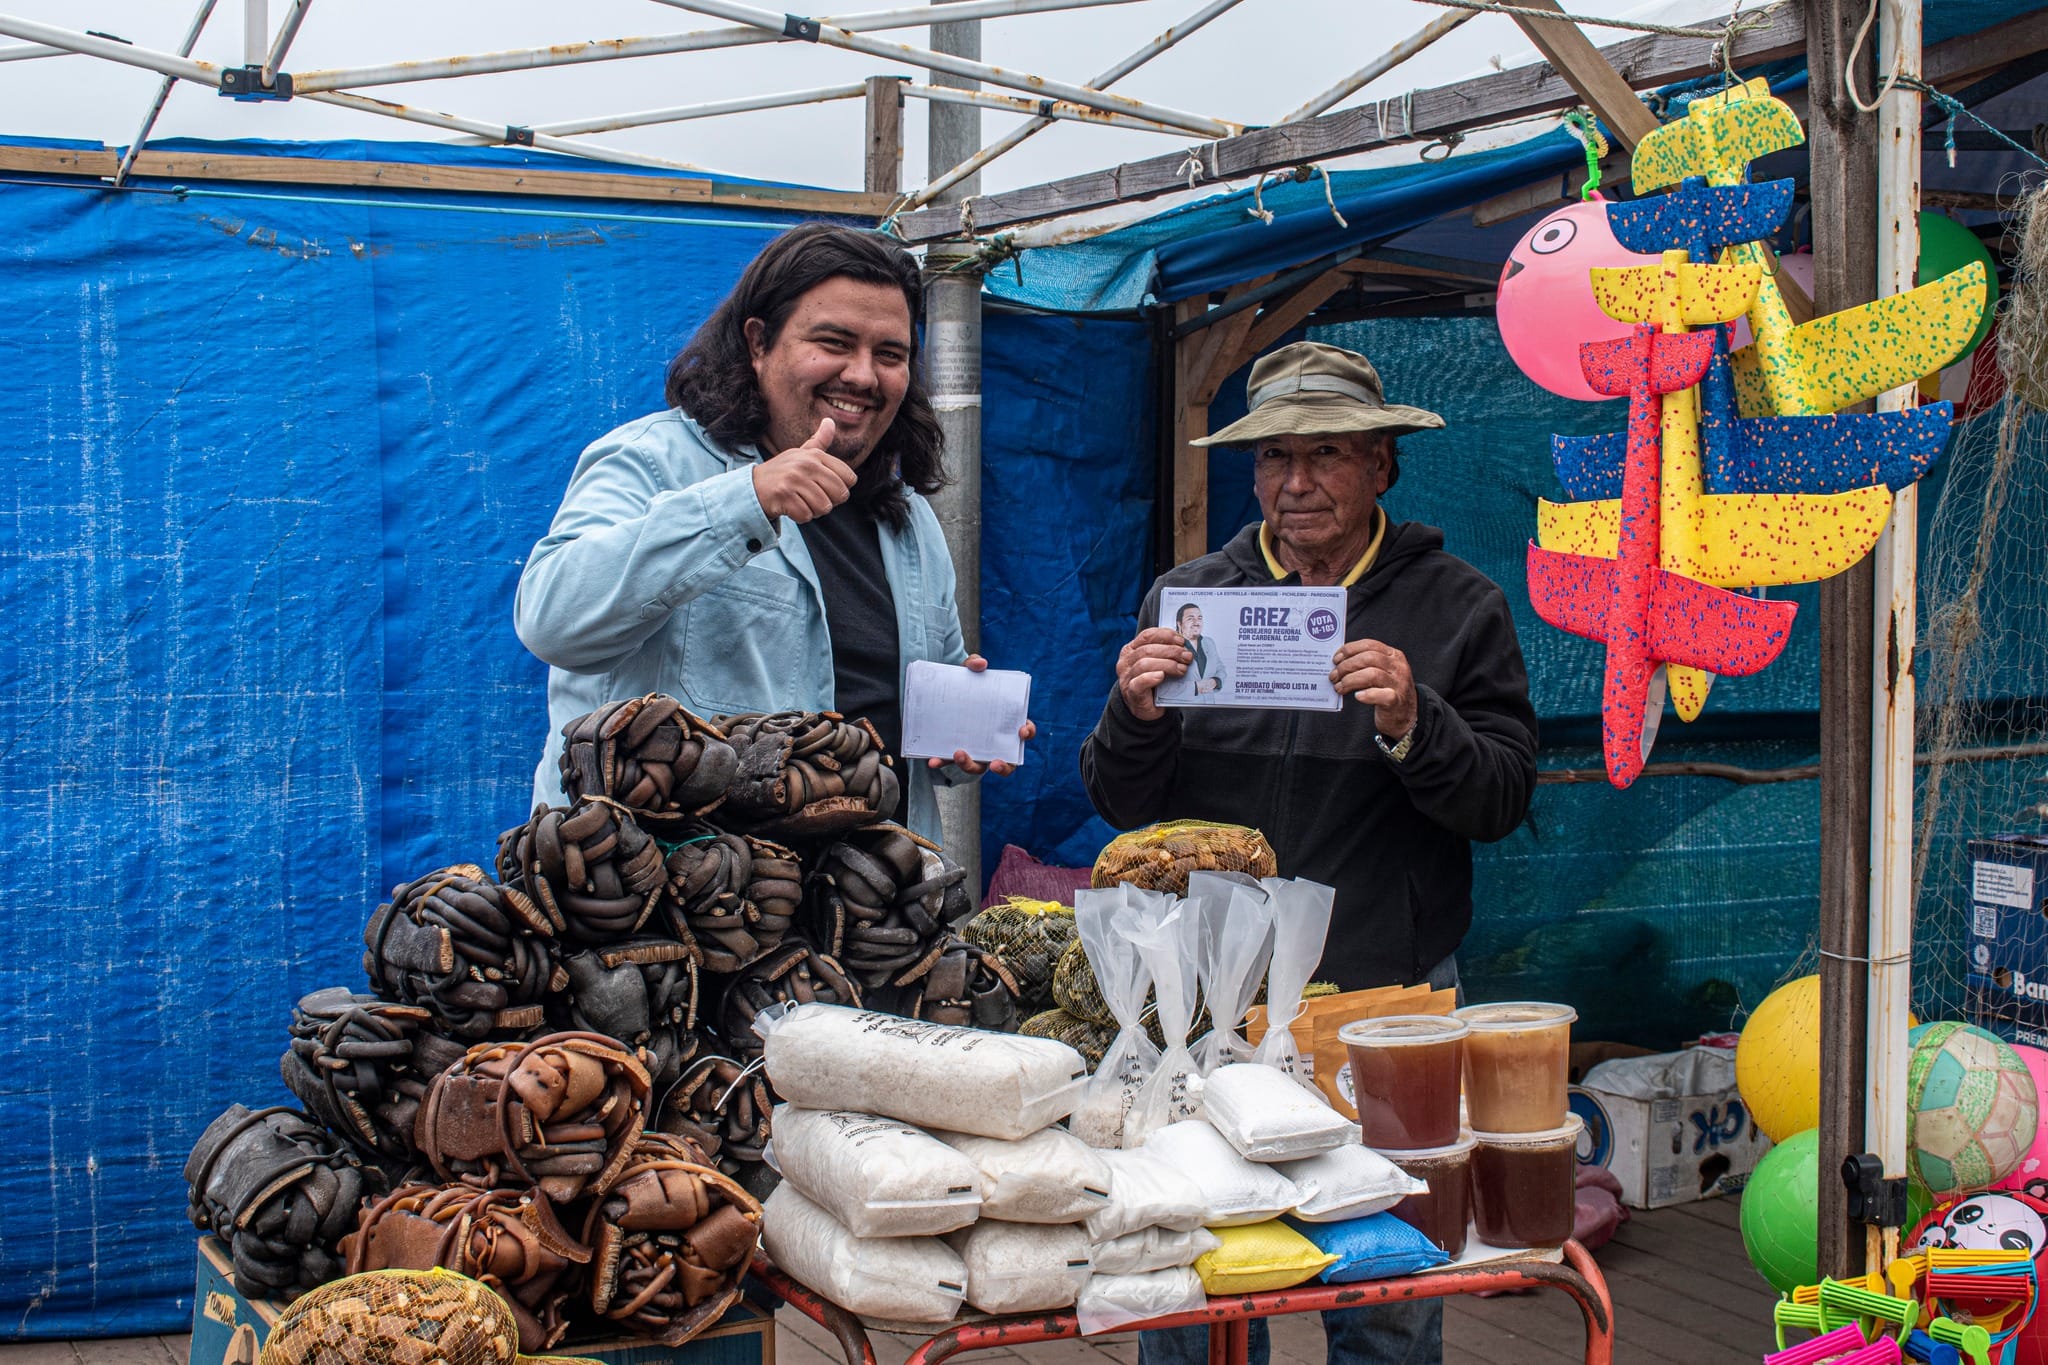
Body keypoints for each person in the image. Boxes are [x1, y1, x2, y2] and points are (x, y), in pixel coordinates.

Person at [1080, 340, 1538, 1365]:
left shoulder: (1456, 605)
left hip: (1381, 996)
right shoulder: (1190, 597)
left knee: (1384, 1286)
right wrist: (1134, 712)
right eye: (1274, 457)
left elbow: (1501, 797)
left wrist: (1415, 721)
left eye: (1325, 453)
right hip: (1207, 1000)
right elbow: (1121, 803)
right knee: (1193, 1269)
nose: (1296, 482)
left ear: (1381, 463)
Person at [515, 224, 1030, 846]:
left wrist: (962, 738)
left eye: (890, 355)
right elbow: (552, 619)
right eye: (834, 343)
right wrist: (748, 500)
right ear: (757, 342)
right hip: (672, 890)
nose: (863, 375)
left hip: (866, 896)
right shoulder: (654, 462)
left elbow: (909, 730)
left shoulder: (908, 521)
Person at [1158, 602, 1224, 700]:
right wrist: (1196, 688)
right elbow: (1162, 689)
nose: (1196, 622)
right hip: (1180, 709)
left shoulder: (1209, 642)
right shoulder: (1168, 646)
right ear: (1179, 624)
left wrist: (1216, 681)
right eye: (1190, 618)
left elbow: (1220, 668)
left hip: (1210, 707)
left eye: (1199, 618)